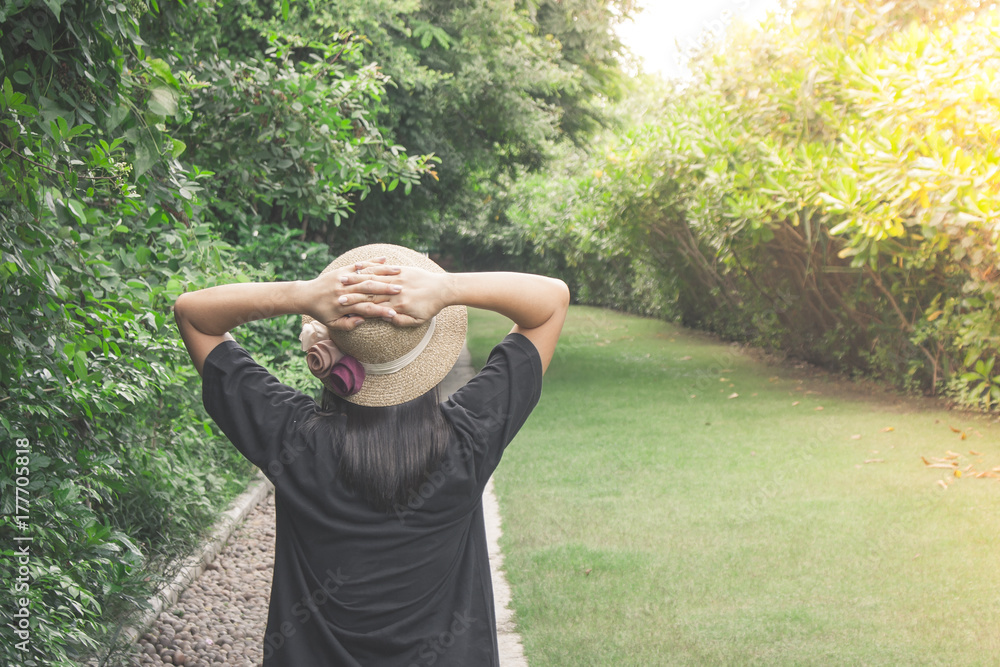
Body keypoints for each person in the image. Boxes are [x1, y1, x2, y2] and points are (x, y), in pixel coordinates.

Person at [173, 243, 569, 666]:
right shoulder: (469, 439)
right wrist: (448, 288)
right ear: (430, 351)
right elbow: (551, 300)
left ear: (328, 351)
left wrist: (304, 294)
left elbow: (193, 314)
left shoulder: (293, 440)